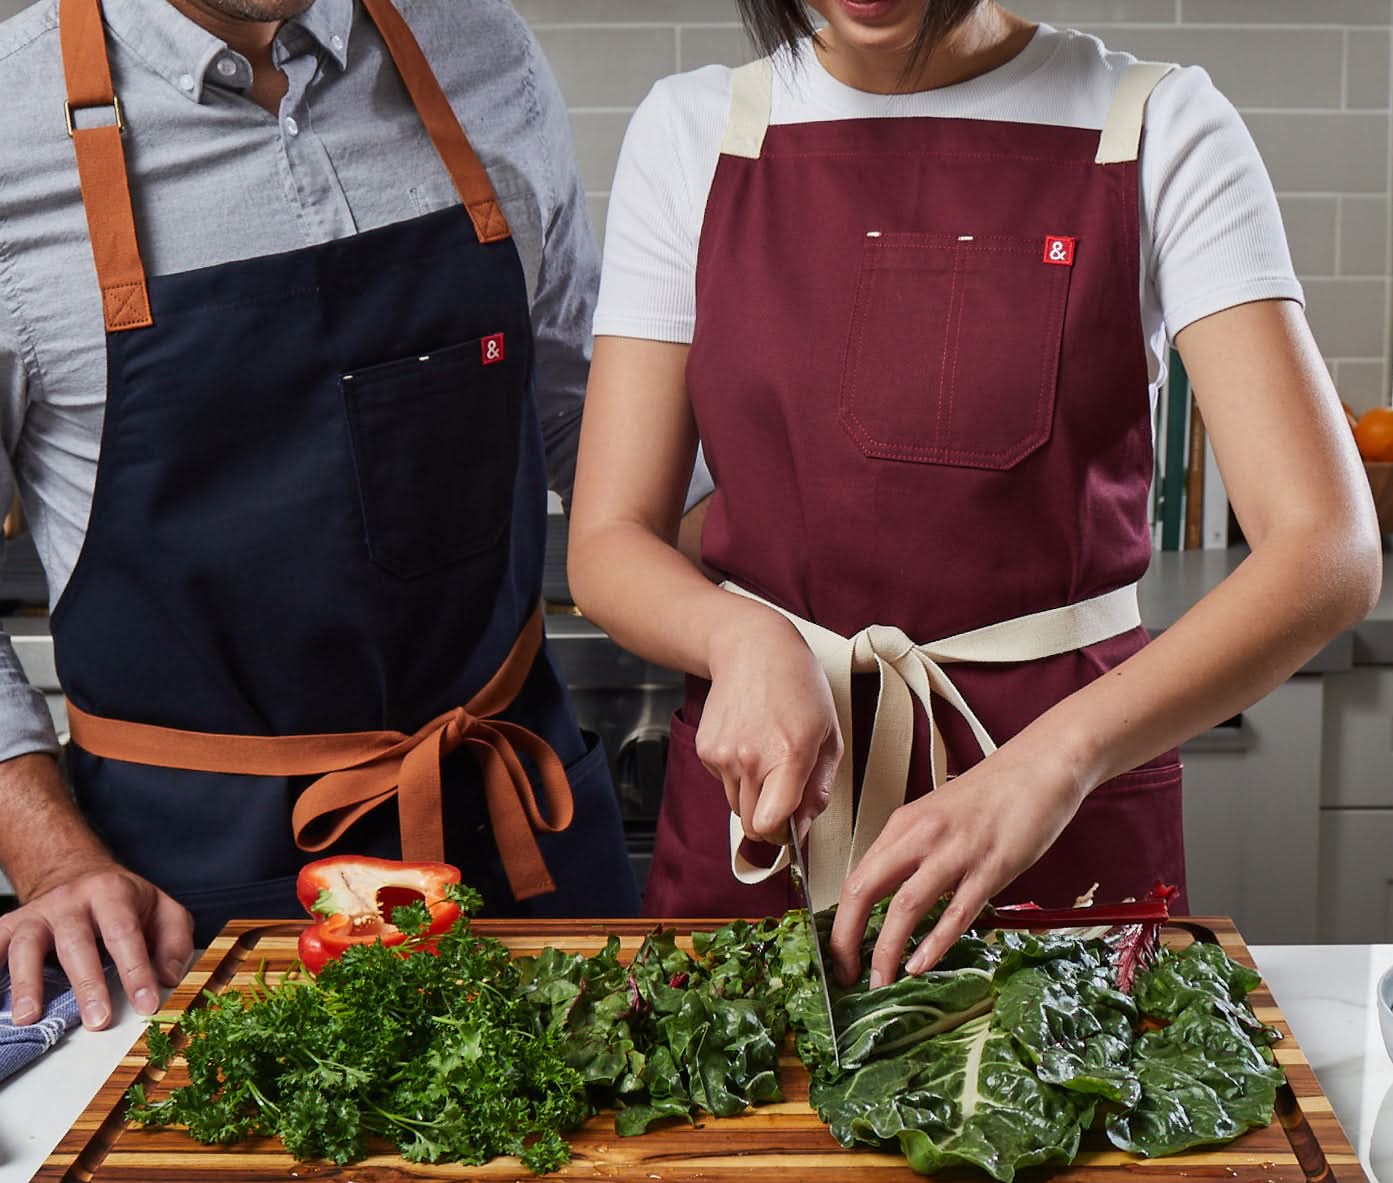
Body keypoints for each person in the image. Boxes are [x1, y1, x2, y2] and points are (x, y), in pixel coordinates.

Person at [567, 0, 1382, 989]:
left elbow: (1326, 548)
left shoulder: (1155, 125)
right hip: (768, 812)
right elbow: (609, 536)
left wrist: (1052, 765)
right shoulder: (696, 129)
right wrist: (735, 637)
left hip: (1060, 822)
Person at [0, 0, 638, 1032]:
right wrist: (52, 857)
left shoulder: (479, 47)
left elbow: (590, 413)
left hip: (523, 835)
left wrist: (798, 605)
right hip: (191, 905)